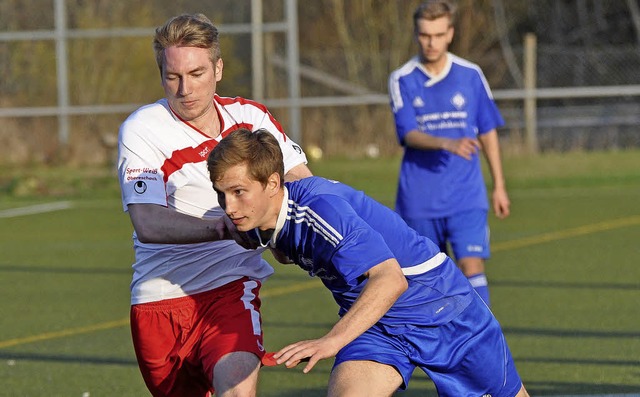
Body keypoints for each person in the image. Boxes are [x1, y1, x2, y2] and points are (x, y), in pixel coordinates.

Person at [207, 128, 530, 397]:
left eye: (238, 192)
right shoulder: (265, 217)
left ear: (273, 183)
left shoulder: (319, 211)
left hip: (440, 309)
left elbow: (390, 279)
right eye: (222, 195)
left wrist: (331, 340)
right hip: (375, 324)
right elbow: (289, 247)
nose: (230, 207)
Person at [116, 13, 312, 397]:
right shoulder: (143, 129)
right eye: (173, 77)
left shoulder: (250, 118)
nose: (185, 89)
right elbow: (148, 223)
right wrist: (224, 227)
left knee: (237, 390)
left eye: (197, 73)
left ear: (218, 69)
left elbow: (303, 185)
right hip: (159, 301)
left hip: (231, 288)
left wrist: (293, 238)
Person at [388, 0, 510, 306]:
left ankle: (481, 340)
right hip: (419, 197)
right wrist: (447, 143)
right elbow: (408, 134)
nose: (432, 42)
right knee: (427, 278)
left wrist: (499, 185)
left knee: (472, 266)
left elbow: (487, 131)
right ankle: (438, 347)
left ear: (450, 34)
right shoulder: (402, 78)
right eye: (425, 35)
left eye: (438, 34)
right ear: (417, 34)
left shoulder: (471, 75)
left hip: (466, 194)